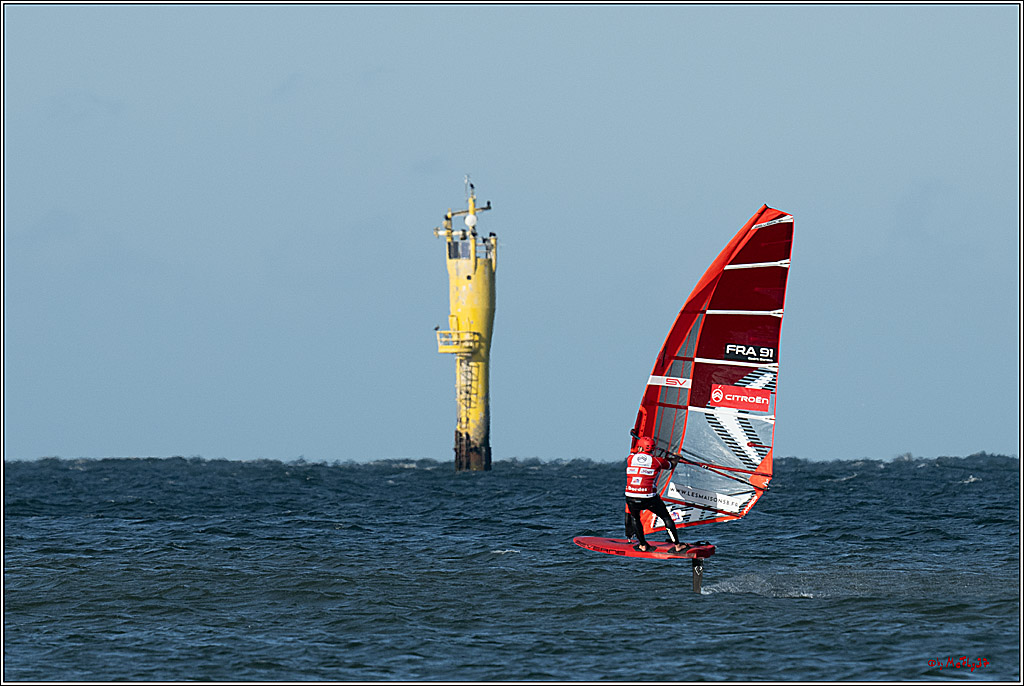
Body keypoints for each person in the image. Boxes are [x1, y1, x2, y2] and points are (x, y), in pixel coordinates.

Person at [624, 435, 688, 553]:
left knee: (635, 518)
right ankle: (678, 545)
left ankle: (642, 545)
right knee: (665, 517)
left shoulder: (630, 458)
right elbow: (671, 464)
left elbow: (635, 451)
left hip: (631, 497)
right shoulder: (657, 461)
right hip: (649, 498)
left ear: (640, 448)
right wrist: (676, 458)